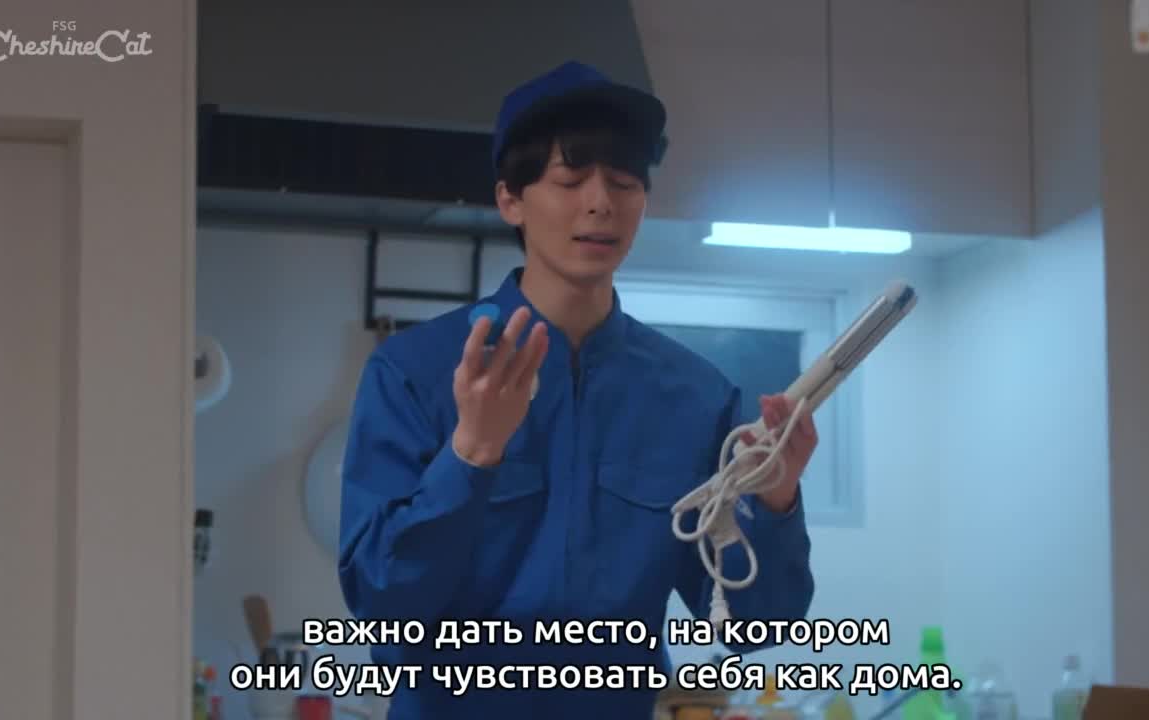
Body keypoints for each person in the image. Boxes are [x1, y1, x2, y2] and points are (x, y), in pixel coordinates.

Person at [338, 60, 817, 720]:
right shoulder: (414, 373)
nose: (601, 203)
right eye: (570, 180)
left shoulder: (695, 396)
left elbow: (755, 625)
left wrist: (776, 501)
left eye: (624, 182)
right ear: (511, 199)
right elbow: (380, 604)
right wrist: (471, 454)